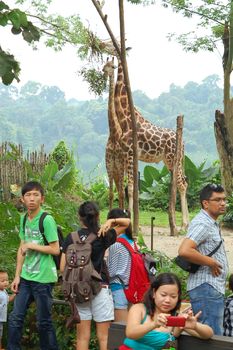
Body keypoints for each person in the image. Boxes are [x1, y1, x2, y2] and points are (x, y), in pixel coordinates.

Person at [60, 201, 130, 350]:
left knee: (82, 337)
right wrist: (111, 221)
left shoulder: (70, 238)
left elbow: (62, 267)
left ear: (80, 217)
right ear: (97, 216)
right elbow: (127, 223)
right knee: (104, 337)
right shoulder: (103, 234)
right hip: (100, 288)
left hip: (78, 290)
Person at [7, 181, 60, 350]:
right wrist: (17, 275)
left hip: (43, 279)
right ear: (22, 199)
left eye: (35, 195)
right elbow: (21, 249)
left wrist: (32, 245)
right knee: (15, 317)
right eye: (28, 195)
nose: (31, 199)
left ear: (42, 199)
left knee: (44, 321)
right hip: (26, 277)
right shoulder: (23, 219)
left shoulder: (46, 220)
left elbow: (55, 249)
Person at [178, 183, 228, 335]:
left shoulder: (210, 222)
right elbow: (184, 250)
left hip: (210, 287)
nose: (223, 203)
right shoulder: (203, 223)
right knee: (212, 337)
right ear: (206, 203)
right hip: (206, 288)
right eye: (218, 200)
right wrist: (211, 262)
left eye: (224, 199)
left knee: (210, 335)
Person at [120, 272, 213, 350]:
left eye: (173, 296)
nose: (168, 300)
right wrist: (154, 324)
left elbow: (208, 334)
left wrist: (195, 326)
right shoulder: (139, 309)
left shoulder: (176, 318)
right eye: (163, 295)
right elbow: (131, 333)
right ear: (154, 293)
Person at [106, 208, 134, 322]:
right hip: (131, 289)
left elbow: (110, 272)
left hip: (118, 290)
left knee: (120, 331)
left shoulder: (116, 245)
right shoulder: (132, 242)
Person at [0, 270, 15, 350]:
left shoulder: (4, 291)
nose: (6, 282)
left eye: (7, 280)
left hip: (1, 318)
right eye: (2, 281)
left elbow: (8, 299)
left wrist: (15, 294)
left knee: (0, 334)